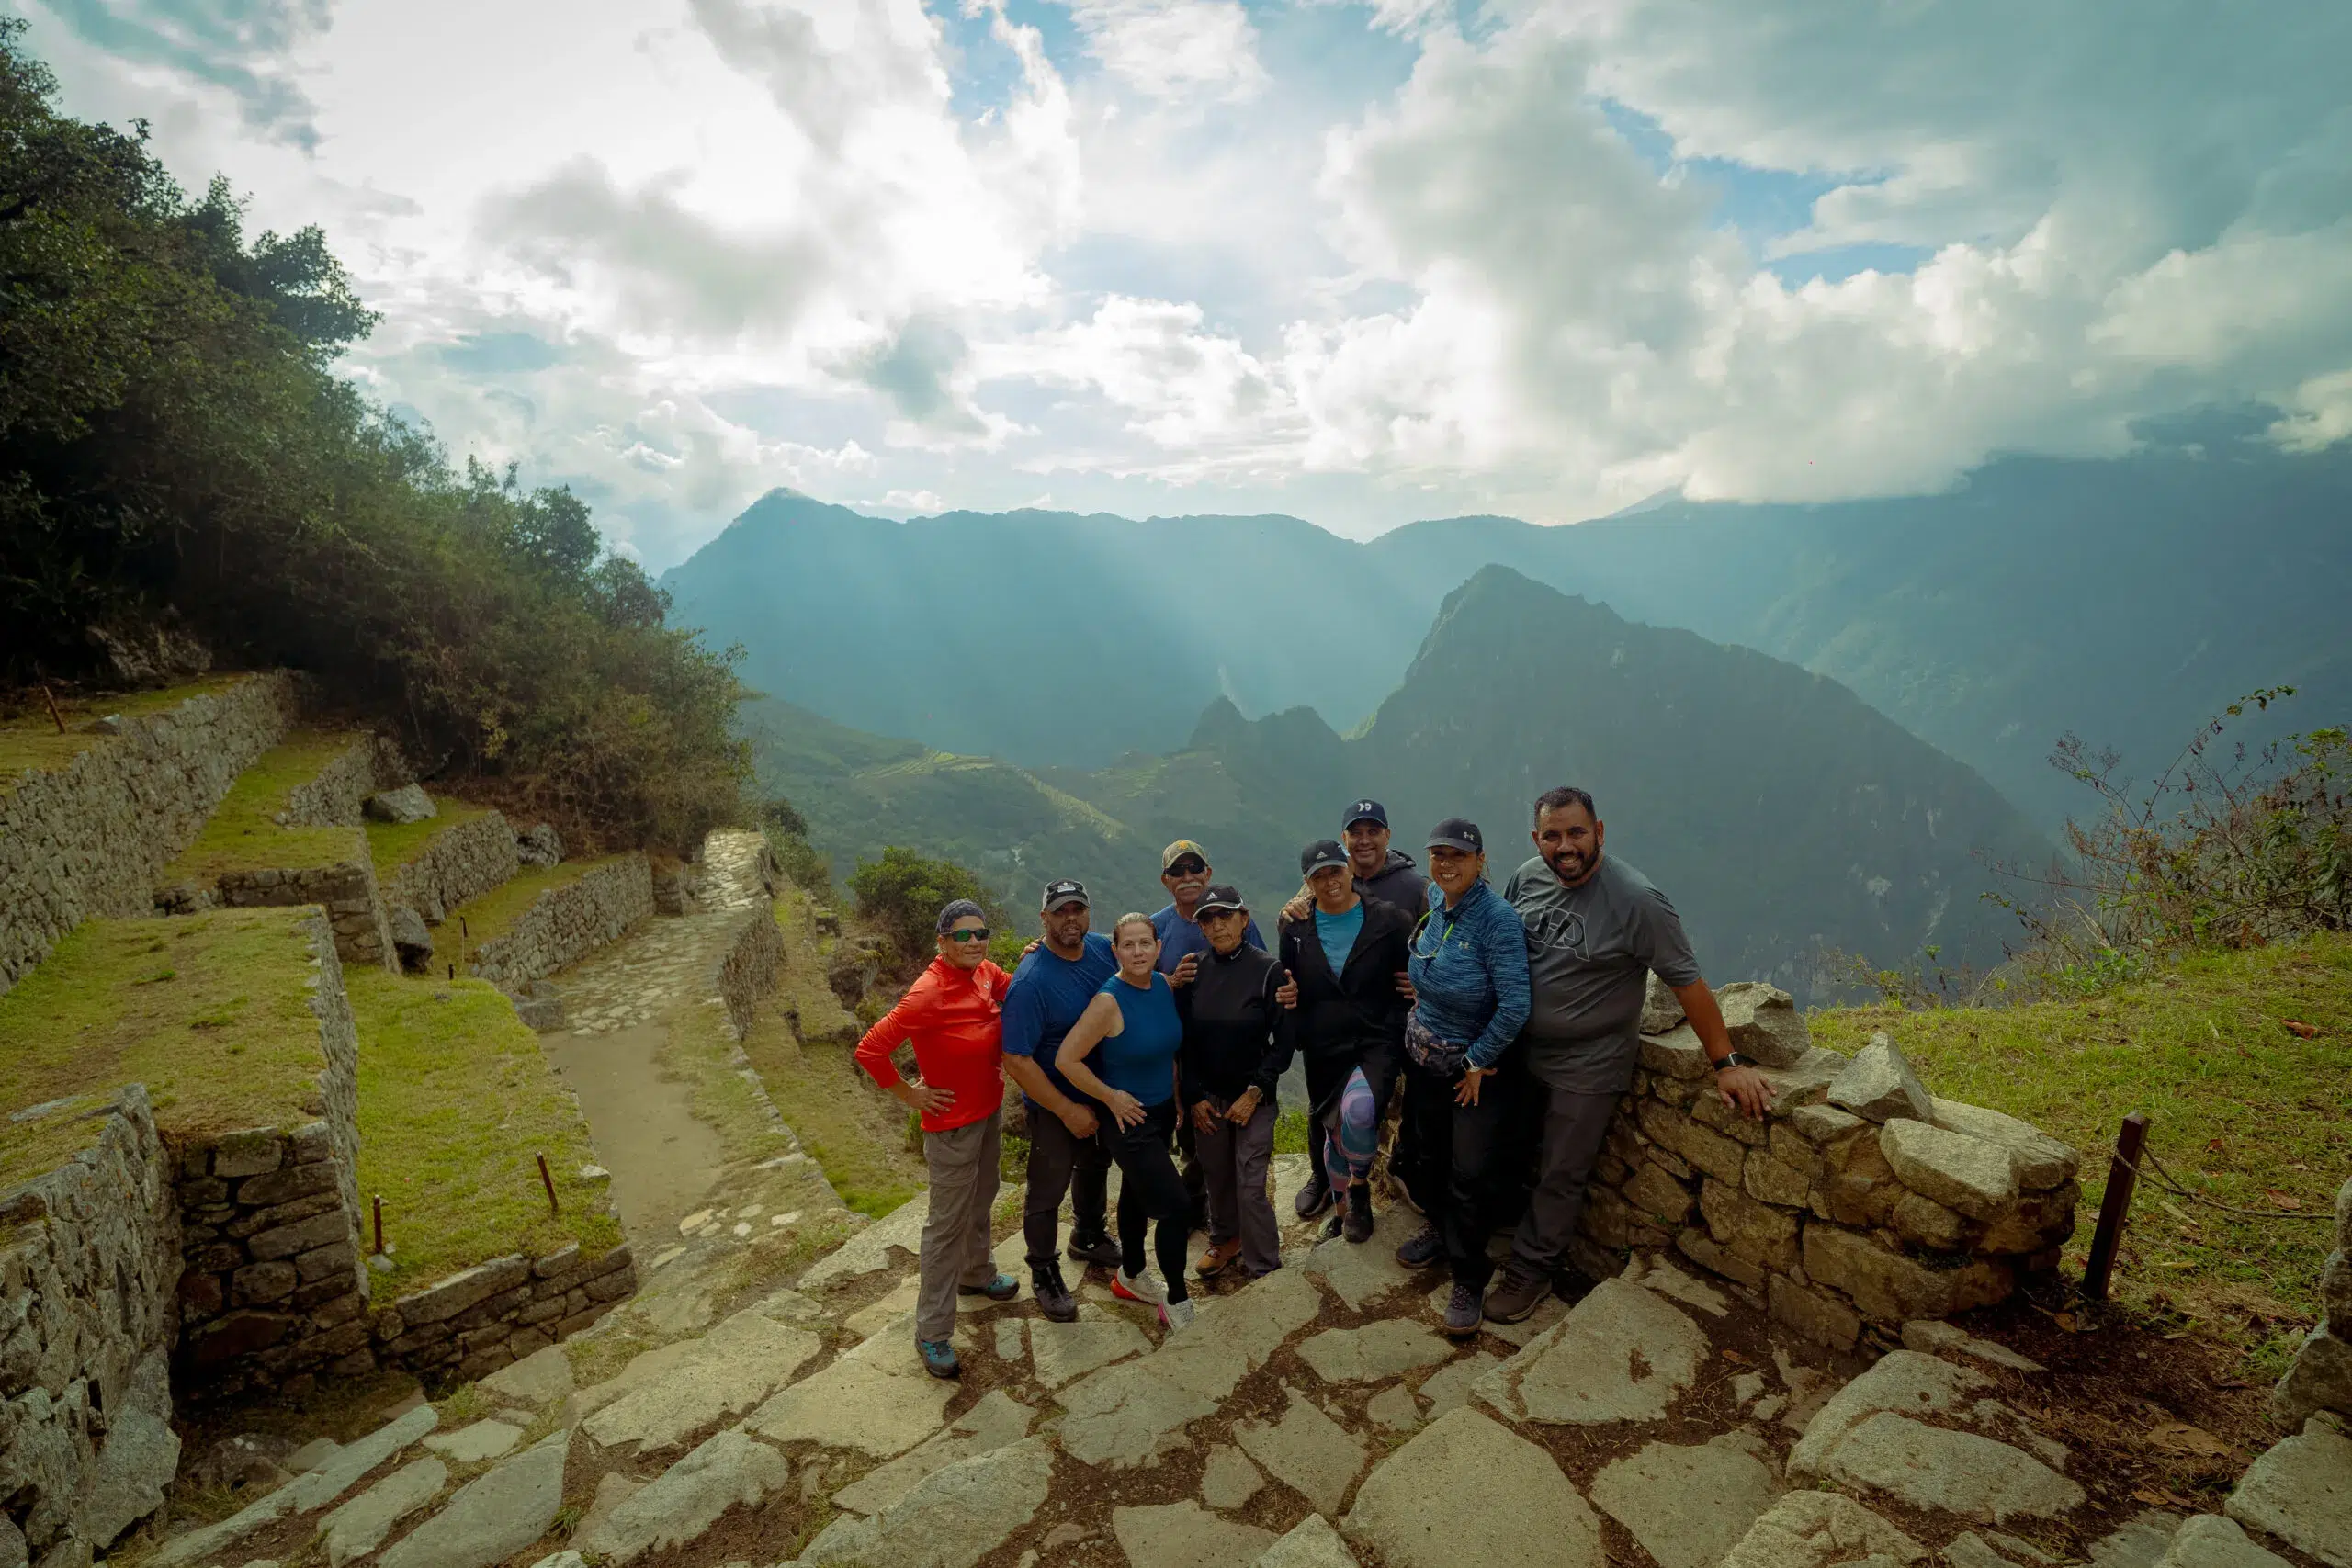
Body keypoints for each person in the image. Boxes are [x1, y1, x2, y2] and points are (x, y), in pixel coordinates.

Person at [1482, 786, 1776, 1322]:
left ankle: (1532, 1267)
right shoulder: (1527, 877)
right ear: (1536, 839)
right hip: (1523, 1048)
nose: (1565, 845)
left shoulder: (1637, 901)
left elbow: (1687, 982)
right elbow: (1503, 946)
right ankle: (1495, 1231)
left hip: (1588, 1062)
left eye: (1576, 832)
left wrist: (1726, 1064)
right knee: (1509, 1146)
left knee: (1561, 1171)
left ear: (1599, 831)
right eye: (1553, 835)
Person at [854, 899, 1023, 1377]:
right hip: (950, 1126)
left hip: (988, 1111)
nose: (974, 941)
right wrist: (910, 1095)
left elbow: (1021, 990)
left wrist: (1037, 955)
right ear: (942, 940)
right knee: (945, 1225)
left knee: (983, 1198)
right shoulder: (927, 994)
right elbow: (870, 1049)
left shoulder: (986, 971)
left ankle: (976, 1274)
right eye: (963, 935)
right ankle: (932, 1331)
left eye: (981, 932)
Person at [1394, 818, 1532, 1335]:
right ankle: (1440, 1227)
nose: (1446, 863)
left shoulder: (1498, 921)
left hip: (1471, 1069)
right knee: (1427, 1153)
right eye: (1438, 854)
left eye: (1458, 854)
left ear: (1480, 861)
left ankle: (1469, 1277)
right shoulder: (1436, 897)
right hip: (1425, 1058)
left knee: (1469, 1171)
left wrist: (1476, 1062)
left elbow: (1516, 1004)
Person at [1280, 800, 1427, 1220]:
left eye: (1372, 830)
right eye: (1355, 832)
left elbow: (1427, 951)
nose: (1364, 839)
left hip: (1377, 1033)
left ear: (1386, 835)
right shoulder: (1296, 923)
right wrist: (1292, 1023)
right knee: (1324, 1118)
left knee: (1359, 1111)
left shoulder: (1405, 899)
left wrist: (1421, 984)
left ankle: (1360, 1184)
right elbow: (1292, 978)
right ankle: (1335, 1192)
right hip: (1324, 1040)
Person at [1054, 913, 1198, 1329]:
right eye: (1128, 945)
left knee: (1136, 1192)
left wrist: (1176, 1101)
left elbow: (1166, 1051)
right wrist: (1110, 1096)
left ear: (1157, 948)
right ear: (1115, 951)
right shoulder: (1108, 1001)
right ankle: (1176, 1297)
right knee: (1175, 1207)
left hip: (1160, 1111)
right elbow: (1067, 1060)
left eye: (1145, 944)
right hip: (1126, 1117)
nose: (1138, 952)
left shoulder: (1162, 987)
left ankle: (1130, 1274)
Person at [1001, 878, 1120, 1322]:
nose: (1071, 919)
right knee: (1048, 1188)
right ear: (1044, 919)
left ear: (1088, 913)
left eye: (1078, 910)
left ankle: (1087, 1235)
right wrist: (1067, 1110)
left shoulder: (1102, 948)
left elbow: (1144, 942)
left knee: (1095, 1165)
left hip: (1101, 1093)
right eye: (1060, 911)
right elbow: (1015, 1058)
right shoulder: (1031, 981)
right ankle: (1044, 1270)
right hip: (1054, 1103)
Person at [1175, 885, 1294, 1280]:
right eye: (1208, 919)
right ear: (1202, 927)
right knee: (1217, 1175)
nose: (1217, 925)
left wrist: (1255, 1091)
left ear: (1244, 919)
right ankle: (1225, 1239)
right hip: (1208, 1096)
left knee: (1250, 1183)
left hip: (1253, 1097)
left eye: (1225, 915)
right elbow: (1185, 1042)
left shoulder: (1267, 970)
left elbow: (1284, 1041)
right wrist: (1192, 1096)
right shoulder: (1195, 970)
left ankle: (1263, 1261)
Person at [1150, 839, 1262, 1230]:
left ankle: (1222, 1209)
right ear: (1166, 880)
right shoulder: (1157, 927)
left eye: (1195, 868)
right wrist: (1168, 980)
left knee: (1223, 1130)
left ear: (1207, 873)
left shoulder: (1232, 915)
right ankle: (1196, 1205)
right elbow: (1132, 977)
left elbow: (1264, 969)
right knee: (1191, 1132)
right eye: (1178, 871)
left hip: (1233, 1051)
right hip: (1179, 1049)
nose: (1187, 877)